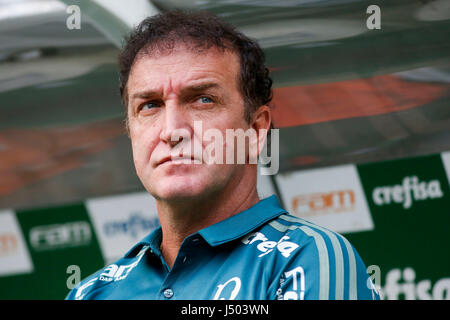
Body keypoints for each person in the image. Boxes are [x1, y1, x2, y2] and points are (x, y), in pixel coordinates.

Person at [66, 10, 379, 300]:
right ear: (131, 130)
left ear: (256, 131)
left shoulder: (307, 257)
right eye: (149, 105)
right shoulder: (91, 293)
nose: (172, 130)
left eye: (202, 100)